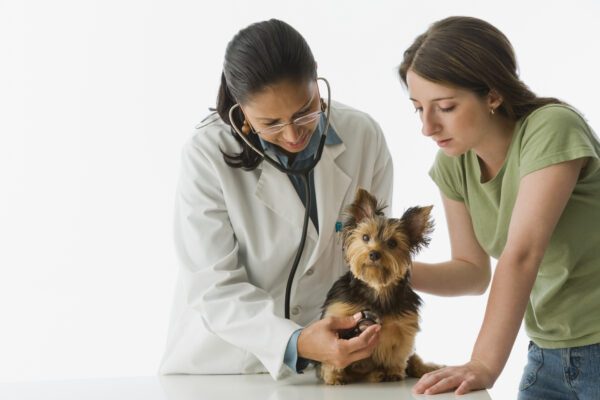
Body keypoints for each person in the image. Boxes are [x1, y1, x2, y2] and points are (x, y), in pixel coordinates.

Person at [159, 19, 391, 380]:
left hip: (331, 367)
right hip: (225, 369)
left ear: (316, 77)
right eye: (270, 122)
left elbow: (370, 256)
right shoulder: (206, 154)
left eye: (304, 111)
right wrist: (295, 342)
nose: (293, 134)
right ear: (241, 108)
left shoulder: (364, 136)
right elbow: (212, 285)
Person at [398, 16, 600, 398]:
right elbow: (472, 273)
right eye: (417, 109)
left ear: (492, 95)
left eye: (444, 107)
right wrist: (388, 272)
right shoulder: (453, 164)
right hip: (546, 356)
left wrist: (483, 364)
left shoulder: (551, 128)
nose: (427, 127)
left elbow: (522, 254)